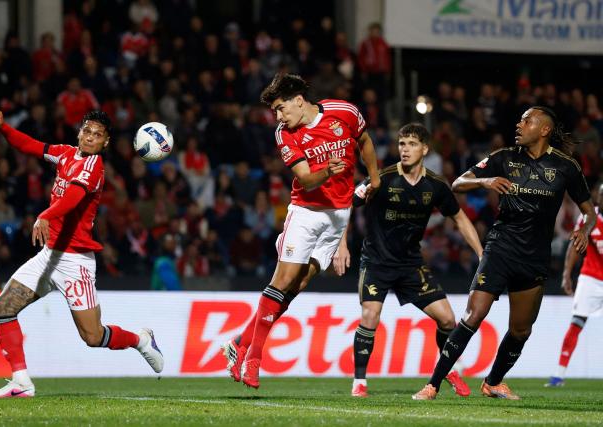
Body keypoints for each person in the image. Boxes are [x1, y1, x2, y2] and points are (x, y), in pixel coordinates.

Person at [412, 106, 595, 400]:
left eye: (527, 120)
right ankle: (432, 384)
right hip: (500, 247)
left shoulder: (565, 167)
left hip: (534, 256)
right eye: (520, 119)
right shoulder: (504, 158)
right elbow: (458, 183)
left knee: (521, 331)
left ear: (544, 130)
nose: (519, 124)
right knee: (474, 314)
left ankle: (493, 382)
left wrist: (584, 231)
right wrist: (484, 181)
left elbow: (589, 212)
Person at [0, 108, 164, 398]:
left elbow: (73, 197)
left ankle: (141, 340)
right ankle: (21, 382)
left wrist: (45, 214)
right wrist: (4, 127)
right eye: (87, 131)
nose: (90, 138)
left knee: (92, 337)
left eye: (98, 135)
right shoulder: (65, 154)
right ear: (80, 132)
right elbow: (30, 145)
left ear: (105, 142)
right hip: (48, 256)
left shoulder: (94, 166)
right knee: (2, 309)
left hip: (75, 262)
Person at [221, 73, 380, 389]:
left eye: (281, 108)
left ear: (298, 100)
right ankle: (253, 358)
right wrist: (327, 171)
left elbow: (364, 141)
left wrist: (374, 178)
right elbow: (306, 178)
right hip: (306, 212)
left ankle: (240, 342)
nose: (278, 117)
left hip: (337, 216)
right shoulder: (284, 133)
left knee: (298, 284)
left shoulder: (344, 112)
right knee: (283, 279)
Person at [334, 123, 482, 398]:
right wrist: (341, 245)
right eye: (402, 144)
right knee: (370, 315)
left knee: (448, 320)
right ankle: (359, 383)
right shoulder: (381, 179)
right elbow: (346, 204)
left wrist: (481, 254)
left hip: (411, 264)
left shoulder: (436, 185)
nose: (405, 149)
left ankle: (447, 369)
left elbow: (460, 218)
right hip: (377, 262)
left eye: (412, 144)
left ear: (425, 149)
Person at [546, 183, 603, 387]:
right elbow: (575, 246)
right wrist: (566, 274)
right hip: (591, 277)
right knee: (576, 323)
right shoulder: (589, 218)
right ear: (598, 197)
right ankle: (558, 375)